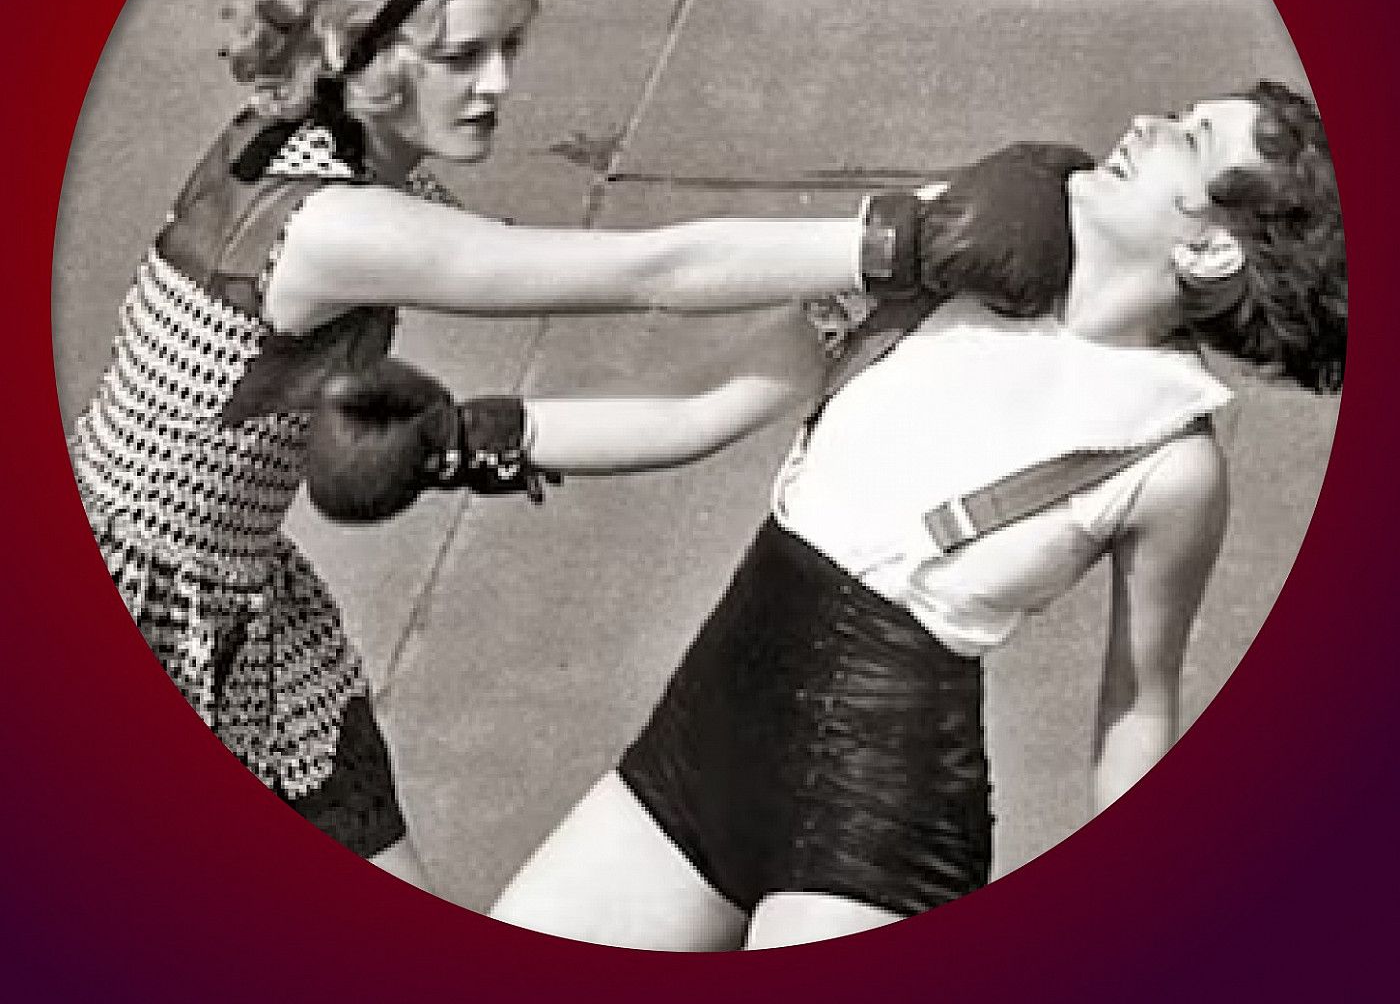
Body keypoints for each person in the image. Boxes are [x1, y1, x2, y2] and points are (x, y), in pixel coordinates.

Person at [65, 0, 985, 891]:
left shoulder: (309, 149)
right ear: (361, 54)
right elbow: (653, 272)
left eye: (508, 46)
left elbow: (680, 412)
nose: (497, 82)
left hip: (231, 609)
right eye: (460, 56)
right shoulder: (337, 228)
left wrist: (836, 310)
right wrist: (903, 236)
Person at [382, 81, 1337, 950]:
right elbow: (699, 407)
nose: (1145, 123)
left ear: (1211, 248)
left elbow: (1138, 705)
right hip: (700, 746)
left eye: (1188, 140)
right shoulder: (946, 262)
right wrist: (463, 438)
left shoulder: (1168, 456)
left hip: (879, 828)